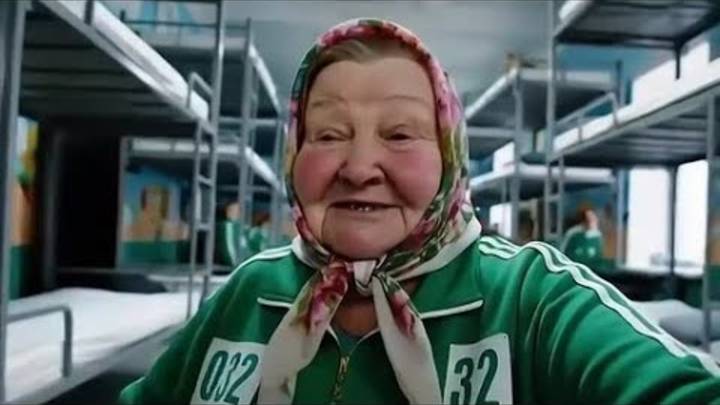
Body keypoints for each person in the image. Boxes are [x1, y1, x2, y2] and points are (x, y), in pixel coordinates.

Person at [120, 19, 720, 404]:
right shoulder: (248, 294)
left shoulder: (533, 300)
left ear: (450, 158)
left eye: (401, 134)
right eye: (327, 135)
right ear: (293, 155)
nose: (359, 166)